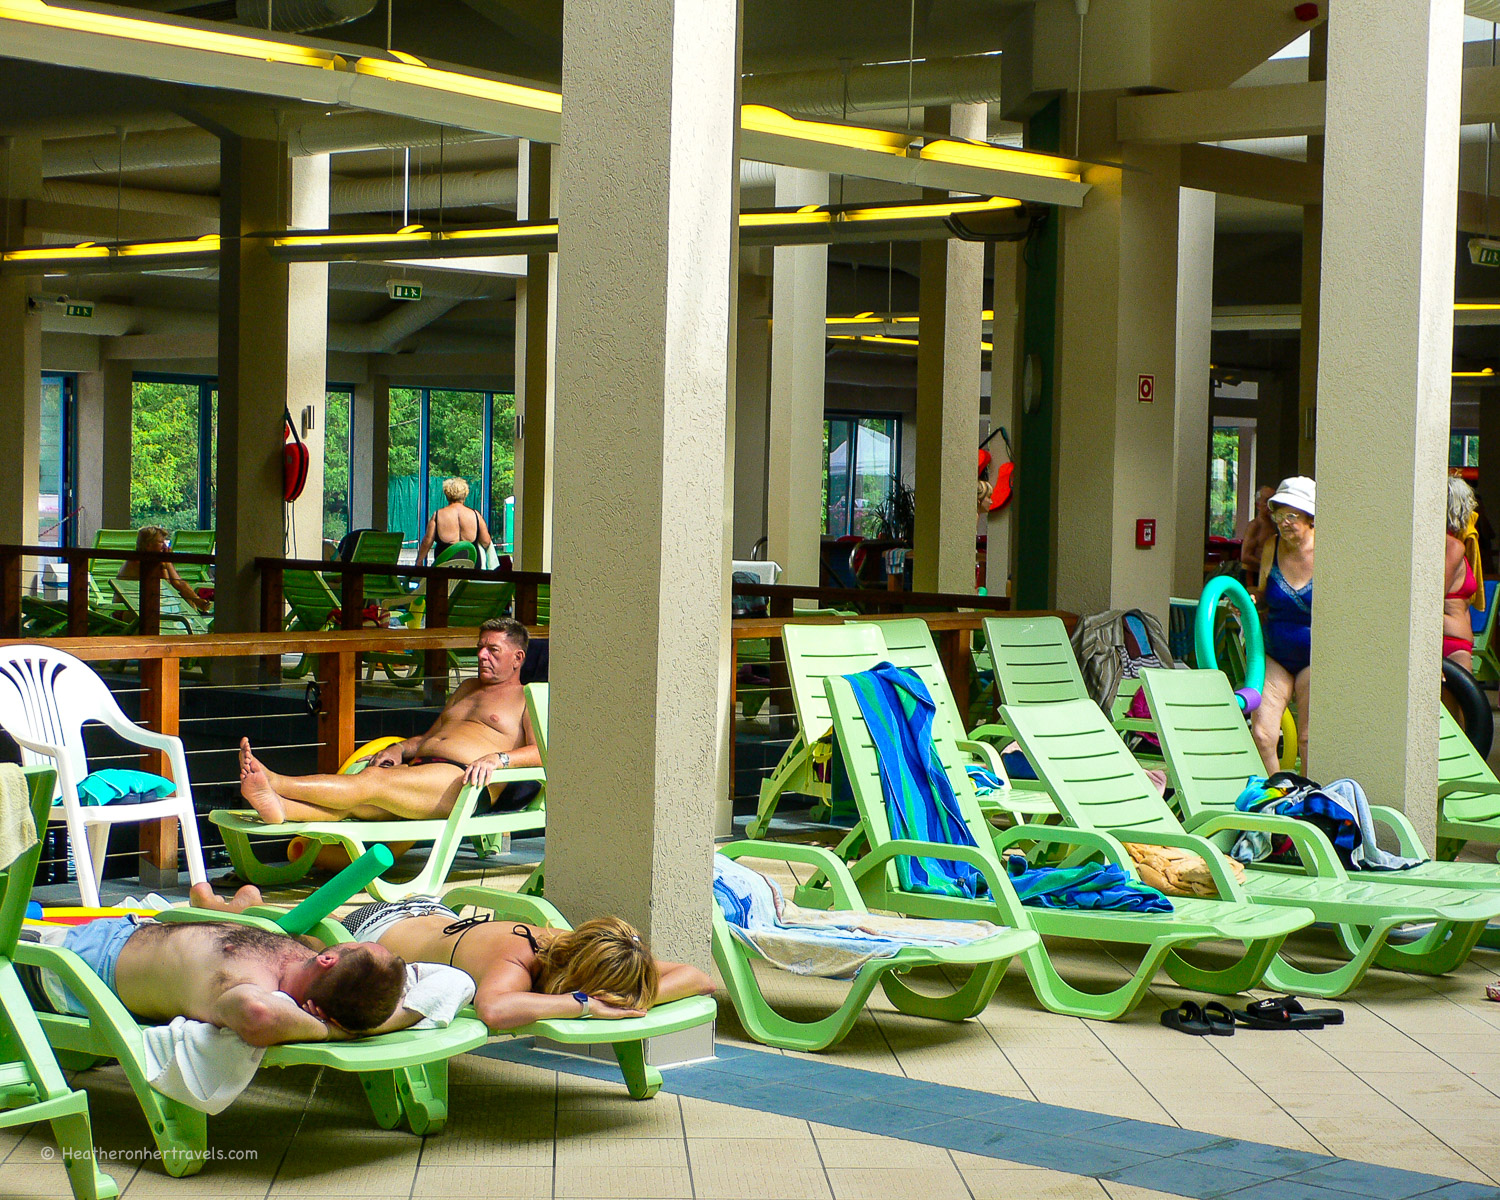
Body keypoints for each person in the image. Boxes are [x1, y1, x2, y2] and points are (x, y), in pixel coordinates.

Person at [239, 617, 539, 824]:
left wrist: (499, 759)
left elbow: (543, 752)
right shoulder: (467, 688)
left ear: (518, 657)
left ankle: (276, 782)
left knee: (371, 782)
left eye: (493, 650)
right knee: (359, 806)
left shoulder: (527, 697)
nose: (482, 655)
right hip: (421, 769)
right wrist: (399, 748)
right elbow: (430, 737)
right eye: (480, 647)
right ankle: (281, 808)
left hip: (464, 783)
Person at [336, 898, 713, 1030]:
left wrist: (630, 999)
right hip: (377, 925)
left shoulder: (599, 951)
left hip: (436, 914)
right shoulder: (518, 958)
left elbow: (699, 978)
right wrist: (585, 1005)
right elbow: (492, 1010)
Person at [36, 914, 408, 1045]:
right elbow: (415, 1001)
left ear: (329, 960)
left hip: (78, 965)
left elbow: (256, 1013)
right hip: (123, 929)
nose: (350, 939)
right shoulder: (302, 959)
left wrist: (332, 1032)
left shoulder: (254, 989)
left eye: (356, 944)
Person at [1251, 476, 1315, 775]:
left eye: (1292, 515)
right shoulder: (1272, 546)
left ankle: (1312, 795)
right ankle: (1278, 793)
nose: (1284, 523)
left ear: (1310, 517)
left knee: (1308, 739)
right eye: (1279, 515)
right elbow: (1264, 593)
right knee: (1263, 734)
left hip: (1314, 656)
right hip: (1275, 651)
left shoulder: (1328, 551)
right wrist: (1251, 599)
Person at [118, 525, 211, 614]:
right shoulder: (136, 562)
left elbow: (178, 583)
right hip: (128, 608)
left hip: (149, 605)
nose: (165, 547)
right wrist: (164, 565)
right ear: (148, 545)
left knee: (188, 601)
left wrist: (197, 600)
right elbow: (165, 585)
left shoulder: (157, 559)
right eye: (161, 542)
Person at [1444, 474, 1484, 672]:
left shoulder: (1454, 544)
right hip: (1451, 643)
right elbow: (1433, 599)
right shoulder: (1453, 547)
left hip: (1455, 643)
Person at [416, 478, 493, 565]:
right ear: (465, 494)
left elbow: (427, 541)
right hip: (470, 566)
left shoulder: (438, 515)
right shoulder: (476, 515)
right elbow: (486, 541)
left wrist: (419, 560)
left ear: (447, 494)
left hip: (445, 566)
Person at [1239, 485, 1276, 582]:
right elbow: (1245, 556)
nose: (1271, 505)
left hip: (1268, 575)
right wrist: (1266, 565)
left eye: (1274, 501)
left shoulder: (1276, 524)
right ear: (1258, 505)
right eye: (1267, 501)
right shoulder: (1254, 526)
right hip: (1252, 575)